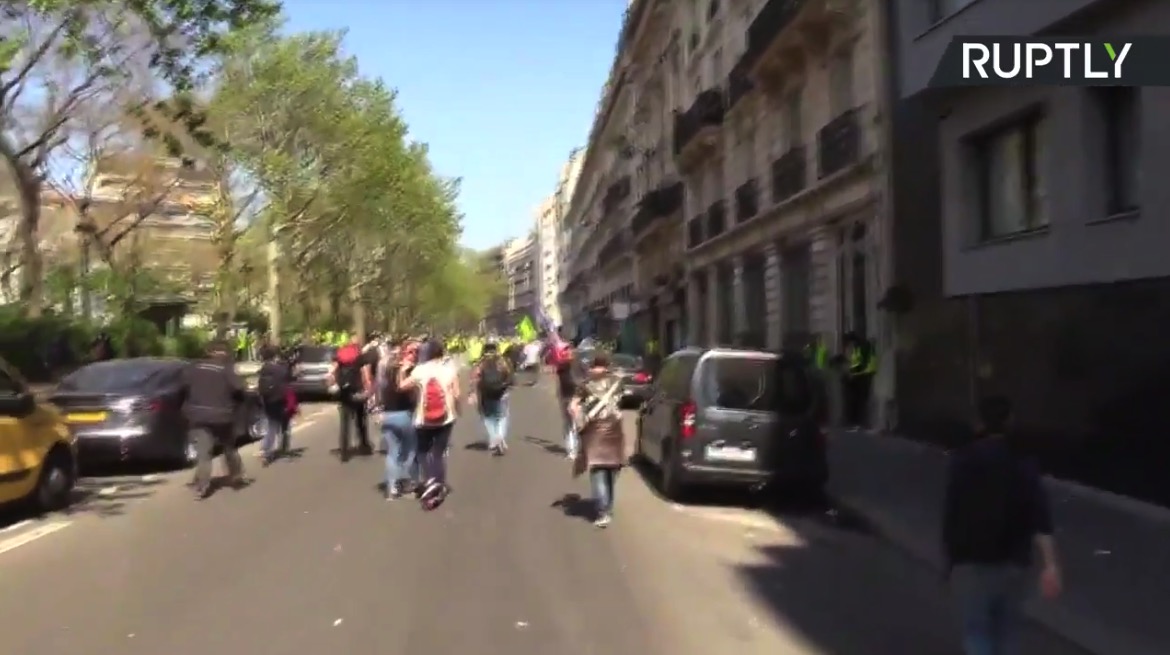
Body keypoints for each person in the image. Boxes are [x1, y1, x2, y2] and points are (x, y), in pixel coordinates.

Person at [943, 396, 1062, 655]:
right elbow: (1040, 515)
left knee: (977, 632)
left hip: (972, 558)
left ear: (979, 424)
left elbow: (952, 513)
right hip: (1013, 560)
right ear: (1010, 422)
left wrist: (950, 561)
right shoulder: (1023, 463)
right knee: (1007, 633)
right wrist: (1050, 564)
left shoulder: (963, 461)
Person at [397, 340, 460, 509]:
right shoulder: (449, 370)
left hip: (423, 419)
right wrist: (455, 410)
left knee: (423, 452)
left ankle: (429, 480)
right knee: (439, 453)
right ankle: (438, 484)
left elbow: (402, 387)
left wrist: (403, 371)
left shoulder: (419, 370)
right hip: (446, 418)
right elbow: (456, 394)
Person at [182, 340, 249, 499]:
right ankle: (236, 476)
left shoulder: (193, 367)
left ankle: (201, 487)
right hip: (223, 416)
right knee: (229, 448)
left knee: (204, 453)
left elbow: (182, 387)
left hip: (198, 416)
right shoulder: (226, 369)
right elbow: (240, 388)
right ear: (224, 353)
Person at [568, 351, 626, 528]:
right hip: (614, 431)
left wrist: (579, 421)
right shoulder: (616, 382)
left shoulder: (585, 385)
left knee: (598, 471)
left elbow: (572, 406)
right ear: (607, 366)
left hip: (594, 431)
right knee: (611, 472)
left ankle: (602, 512)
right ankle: (607, 507)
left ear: (593, 366)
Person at [379, 339, 420, 500]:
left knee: (392, 453)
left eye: (416, 352)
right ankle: (410, 485)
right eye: (411, 351)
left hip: (388, 415)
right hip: (404, 415)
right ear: (404, 352)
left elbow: (382, 389)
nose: (414, 355)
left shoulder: (388, 368)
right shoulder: (409, 370)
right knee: (410, 451)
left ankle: (392, 488)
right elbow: (406, 390)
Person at [329, 334, 375, 462]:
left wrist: (333, 384)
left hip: (344, 392)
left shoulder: (339, 355)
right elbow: (365, 374)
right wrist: (368, 389)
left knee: (344, 423)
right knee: (360, 420)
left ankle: (344, 452)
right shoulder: (360, 356)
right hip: (357, 391)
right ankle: (364, 445)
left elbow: (332, 372)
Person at [468, 340, 512, 455]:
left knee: (488, 417)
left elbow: (474, 379)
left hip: (486, 394)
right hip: (502, 393)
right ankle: (500, 436)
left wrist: (472, 393)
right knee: (502, 416)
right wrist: (508, 388)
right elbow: (509, 376)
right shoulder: (503, 361)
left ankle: (494, 438)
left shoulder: (480, 363)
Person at [256, 345, 293, 465]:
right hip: (279, 400)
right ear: (275, 356)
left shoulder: (263, 368)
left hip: (267, 400)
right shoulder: (280, 369)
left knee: (272, 424)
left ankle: (270, 449)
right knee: (279, 425)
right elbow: (288, 381)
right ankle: (268, 450)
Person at [550, 336, 580, 459]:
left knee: (576, 424)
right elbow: (558, 382)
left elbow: (584, 382)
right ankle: (571, 450)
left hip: (577, 398)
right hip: (565, 397)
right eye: (565, 351)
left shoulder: (579, 366)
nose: (567, 353)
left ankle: (577, 449)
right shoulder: (561, 367)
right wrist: (558, 395)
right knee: (568, 424)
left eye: (569, 350)